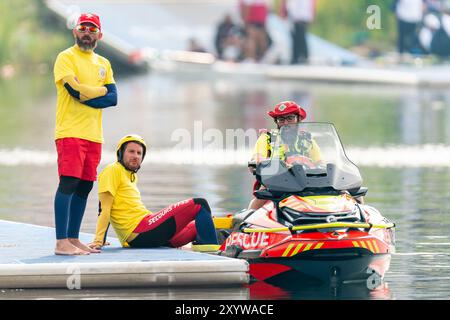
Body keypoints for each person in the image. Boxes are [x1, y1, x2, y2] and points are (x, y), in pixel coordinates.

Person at [53, 13, 118, 255]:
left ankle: (73, 238)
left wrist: (95, 92)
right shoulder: (65, 58)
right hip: (70, 131)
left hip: (94, 135)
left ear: (99, 35)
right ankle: (61, 242)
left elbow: (113, 98)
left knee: (84, 187)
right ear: (75, 32)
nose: (87, 33)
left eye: (92, 29)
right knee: (68, 182)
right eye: (83, 28)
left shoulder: (104, 63)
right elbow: (74, 91)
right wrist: (100, 91)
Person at [88, 135, 219, 250]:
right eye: (131, 151)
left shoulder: (130, 176)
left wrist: (105, 240)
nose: (135, 156)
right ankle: (215, 254)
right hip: (140, 231)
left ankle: (211, 245)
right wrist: (99, 241)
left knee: (202, 224)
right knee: (199, 204)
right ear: (121, 153)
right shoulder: (112, 170)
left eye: (139, 153)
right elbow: (104, 209)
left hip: (147, 231)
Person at [248, 101, 322, 210]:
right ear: (276, 122)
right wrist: (259, 163)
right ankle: (248, 218)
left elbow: (320, 163)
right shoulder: (266, 138)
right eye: (281, 120)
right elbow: (257, 159)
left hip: (306, 183)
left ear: (299, 119)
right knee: (263, 193)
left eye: (290, 118)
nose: (286, 123)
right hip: (275, 184)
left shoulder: (308, 140)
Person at [286, 0, 316, 64]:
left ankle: (302, 56)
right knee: (296, 37)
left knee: (301, 37)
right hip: (296, 16)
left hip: (300, 16)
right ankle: (297, 56)